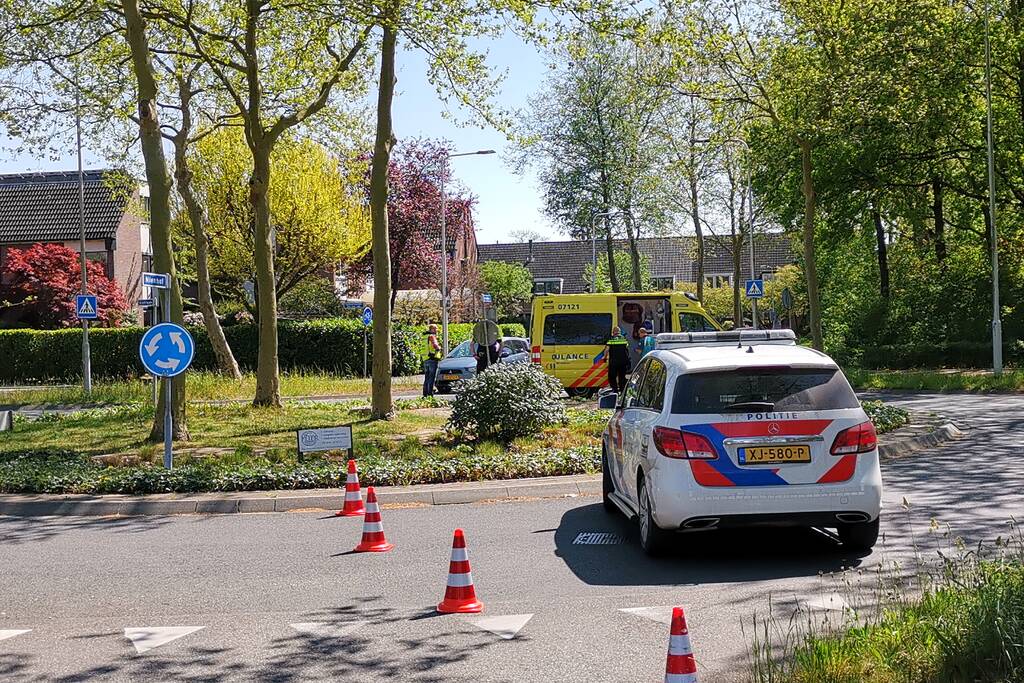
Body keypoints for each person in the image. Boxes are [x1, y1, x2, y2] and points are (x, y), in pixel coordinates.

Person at [604, 326, 631, 393]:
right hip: (623, 361)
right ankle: (622, 391)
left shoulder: (611, 339)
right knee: (622, 376)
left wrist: (605, 357)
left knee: (612, 376)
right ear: (619, 332)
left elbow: (607, 350)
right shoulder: (624, 339)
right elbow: (627, 348)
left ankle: (615, 390)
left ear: (613, 332)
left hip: (614, 362)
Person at [423, 324, 442, 397]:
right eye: (435, 329)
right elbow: (435, 346)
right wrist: (439, 348)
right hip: (432, 358)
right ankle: (430, 394)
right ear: (432, 329)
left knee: (427, 377)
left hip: (425, 359)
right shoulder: (431, 336)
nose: (437, 330)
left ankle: (425, 394)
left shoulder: (424, 337)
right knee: (431, 377)